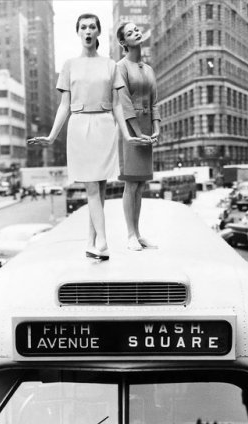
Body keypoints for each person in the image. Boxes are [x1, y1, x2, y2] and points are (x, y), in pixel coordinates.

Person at [28, 13, 143, 261]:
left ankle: (91, 243)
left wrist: (127, 135)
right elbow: (64, 105)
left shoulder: (110, 65)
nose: (88, 31)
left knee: (99, 188)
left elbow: (117, 105)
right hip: (80, 126)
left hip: (105, 126)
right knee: (92, 186)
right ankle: (103, 241)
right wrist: (50, 136)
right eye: (83, 27)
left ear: (98, 32)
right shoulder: (70, 65)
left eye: (92, 27)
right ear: (78, 32)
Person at [116, 21, 160, 250]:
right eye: (130, 32)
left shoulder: (149, 69)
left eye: (137, 29)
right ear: (123, 42)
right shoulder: (120, 67)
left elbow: (154, 101)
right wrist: (137, 133)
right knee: (130, 184)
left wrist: (156, 128)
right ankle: (130, 234)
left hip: (146, 129)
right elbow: (124, 104)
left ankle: (139, 233)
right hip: (129, 130)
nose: (136, 32)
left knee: (141, 184)